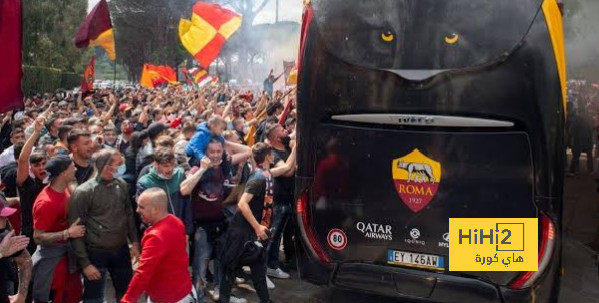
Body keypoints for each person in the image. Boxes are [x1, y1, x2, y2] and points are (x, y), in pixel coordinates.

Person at [218, 142, 294, 303]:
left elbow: (286, 168)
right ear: (267, 156)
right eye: (271, 153)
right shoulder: (258, 178)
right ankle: (224, 299)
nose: (274, 156)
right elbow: (242, 203)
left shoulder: (266, 174)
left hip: (253, 233)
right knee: (230, 268)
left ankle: (265, 300)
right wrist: (258, 227)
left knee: (258, 267)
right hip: (242, 232)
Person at [69, 149, 140, 303]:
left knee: (126, 293)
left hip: (120, 251)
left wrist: (134, 242)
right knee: (93, 297)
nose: (115, 168)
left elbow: (128, 215)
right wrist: (86, 264)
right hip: (95, 253)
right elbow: (76, 231)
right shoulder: (84, 192)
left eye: (117, 164)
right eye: (112, 164)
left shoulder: (121, 185)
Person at [121, 188, 193, 303]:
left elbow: (142, 273)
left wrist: (127, 299)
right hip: (182, 292)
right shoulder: (176, 221)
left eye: (141, 207)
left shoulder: (156, 237)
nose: (137, 210)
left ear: (155, 209)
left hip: (168, 298)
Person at [31, 155, 85, 303]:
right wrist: (67, 233)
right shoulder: (46, 203)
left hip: (69, 259)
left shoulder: (65, 187)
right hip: (53, 264)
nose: (75, 168)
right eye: (72, 166)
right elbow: (38, 237)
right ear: (63, 173)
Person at [265, 123, 297, 278]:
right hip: (280, 201)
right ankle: (270, 265)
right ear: (277, 138)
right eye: (283, 131)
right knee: (275, 235)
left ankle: (280, 261)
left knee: (287, 232)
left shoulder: (286, 148)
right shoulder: (273, 153)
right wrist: (296, 148)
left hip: (290, 198)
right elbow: (288, 171)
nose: (287, 132)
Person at [137, 147, 193, 236]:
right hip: (159, 234)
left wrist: (187, 231)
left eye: (172, 165)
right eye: (166, 166)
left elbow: (187, 204)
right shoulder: (145, 182)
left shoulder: (179, 174)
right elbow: (144, 212)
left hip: (180, 231)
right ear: (156, 164)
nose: (170, 169)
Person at [17, 117, 48, 254]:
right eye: (36, 165)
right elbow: (23, 160)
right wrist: (36, 132)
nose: (41, 168)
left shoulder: (54, 182)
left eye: (44, 164)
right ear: (31, 168)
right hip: (31, 234)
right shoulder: (26, 184)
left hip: (51, 233)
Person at [0, 201, 32, 303]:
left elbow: (25, 260)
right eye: (1, 216)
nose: (6, 218)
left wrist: (21, 296)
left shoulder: (4, 236)